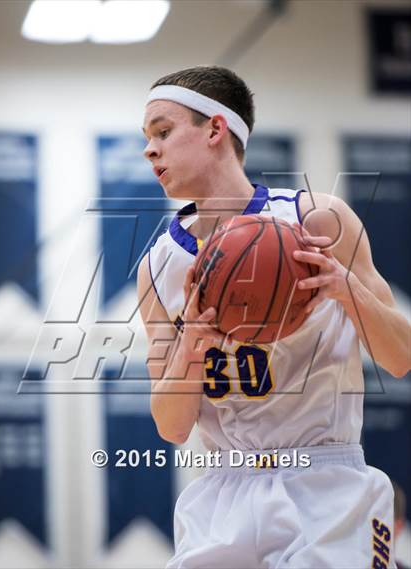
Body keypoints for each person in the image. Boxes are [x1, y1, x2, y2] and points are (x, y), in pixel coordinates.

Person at [137, 66, 410, 568]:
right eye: (148, 138)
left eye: (163, 131)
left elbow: (401, 358)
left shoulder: (318, 220)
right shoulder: (157, 267)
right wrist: (194, 342)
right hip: (222, 489)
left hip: (326, 484)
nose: (150, 150)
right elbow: (172, 427)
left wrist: (345, 288)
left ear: (216, 129)